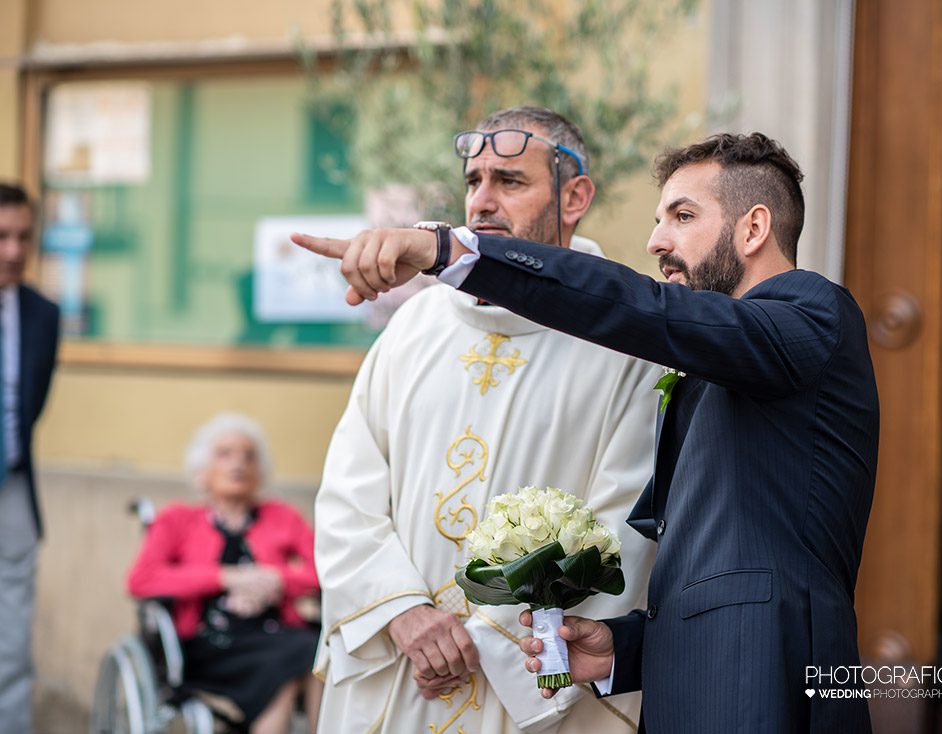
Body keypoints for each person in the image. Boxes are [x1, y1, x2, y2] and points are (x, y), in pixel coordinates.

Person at [293, 131, 881, 732]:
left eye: (683, 216)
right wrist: (620, 650)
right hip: (698, 690)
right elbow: (709, 571)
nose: (657, 241)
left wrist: (452, 251)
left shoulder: (812, 314)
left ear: (753, 229)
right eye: (659, 219)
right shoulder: (716, 372)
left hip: (762, 690)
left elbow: (649, 310)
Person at [309, 106, 659, 733]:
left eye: (510, 182)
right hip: (400, 667)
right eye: (474, 182)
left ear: (575, 197)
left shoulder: (625, 343)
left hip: (522, 682)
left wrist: (486, 640)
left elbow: (624, 524)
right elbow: (347, 494)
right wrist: (403, 613)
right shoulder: (413, 326)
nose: (482, 202)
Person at [127, 413, 322, 734]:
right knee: (291, 661)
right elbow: (141, 580)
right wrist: (226, 578)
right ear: (202, 472)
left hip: (274, 633)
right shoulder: (177, 520)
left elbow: (324, 571)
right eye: (225, 454)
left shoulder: (283, 517)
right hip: (208, 645)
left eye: (249, 455)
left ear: (260, 472)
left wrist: (276, 581)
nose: (239, 463)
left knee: (319, 653)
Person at [0, 183, 60, 734]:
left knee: (11, 650)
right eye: (1, 237)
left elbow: (28, 406)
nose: (14, 250)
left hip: (14, 492)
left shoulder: (44, 314)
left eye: (23, 237)